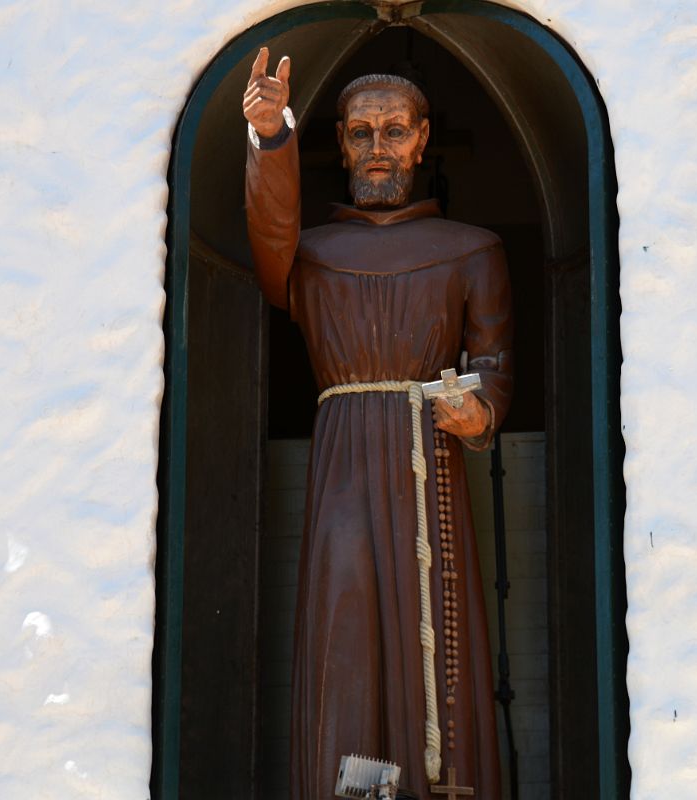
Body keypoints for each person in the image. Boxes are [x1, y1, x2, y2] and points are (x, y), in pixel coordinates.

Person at [244, 46, 511, 799]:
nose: (379, 148)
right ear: (341, 143)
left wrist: (476, 409)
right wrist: (271, 140)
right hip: (345, 466)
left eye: (395, 132)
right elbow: (269, 243)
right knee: (346, 628)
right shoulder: (313, 257)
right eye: (362, 133)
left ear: (423, 139)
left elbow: (495, 365)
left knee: (436, 633)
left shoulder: (473, 251)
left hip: (430, 457)